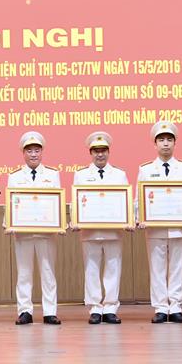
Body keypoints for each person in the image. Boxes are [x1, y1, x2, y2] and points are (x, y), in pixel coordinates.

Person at [136, 121, 182, 324]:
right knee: (157, 268)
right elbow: (139, 199)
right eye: (161, 140)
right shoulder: (146, 169)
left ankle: (176, 307)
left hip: (179, 228)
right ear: (155, 144)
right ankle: (161, 308)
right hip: (154, 228)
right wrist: (139, 218)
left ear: (175, 143)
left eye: (169, 140)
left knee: (178, 267)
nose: (165, 143)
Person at [71, 131, 131, 324]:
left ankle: (110, 308)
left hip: (114, 231)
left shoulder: (119, 174)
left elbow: (125, 202)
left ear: (108, 152)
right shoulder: (81, 175)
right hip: (90, 231)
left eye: (103, 150)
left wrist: (129, 220)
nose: (100, 154)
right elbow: (76, 202)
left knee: (113, 268)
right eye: (96, 151)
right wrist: (75, 220)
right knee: (91, 269)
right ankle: (95, 308)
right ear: (90, 153)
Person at [6, 131, 62, 325]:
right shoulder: (14, 176)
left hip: (46, 233)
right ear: (23, 153)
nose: (33, 154)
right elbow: (11, 202)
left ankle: (50, 312)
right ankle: (25, 311)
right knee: (24, 273)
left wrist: (59, 222)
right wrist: (9, 223)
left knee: (48, 272)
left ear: (42, 152)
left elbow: (57, 202)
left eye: (37, 150)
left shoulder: (53, 174)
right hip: (23, 233)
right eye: (29, 151)